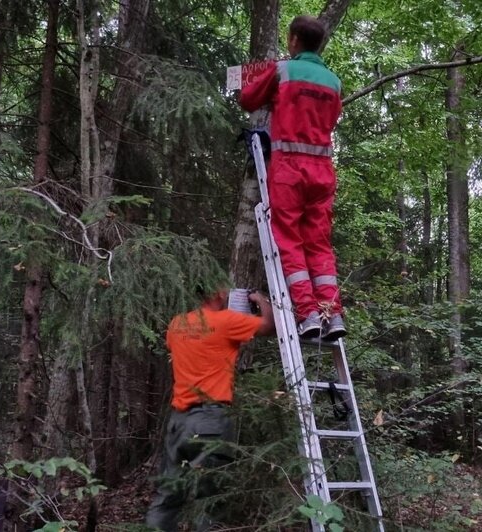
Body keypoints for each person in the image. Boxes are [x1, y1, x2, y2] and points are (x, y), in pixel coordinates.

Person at [239, 15, 346, 341]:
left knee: (289, 241)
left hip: (289, 170)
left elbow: (247, 100)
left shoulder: (283, 70)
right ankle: (332, 314)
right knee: (318, 244)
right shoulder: (334, 81)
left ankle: (308, 314)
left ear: (294, 40)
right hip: (322, 170)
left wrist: (271, 90)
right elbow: (330, 118)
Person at [145, 284, 274, 531]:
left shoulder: (177, 324)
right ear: (219, 293)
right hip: (210, 421)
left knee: (167, 497)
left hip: (178, 423)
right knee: (208, 500)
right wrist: (260, 300)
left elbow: (175, 347)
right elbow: (270, 326)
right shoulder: (226, 321)